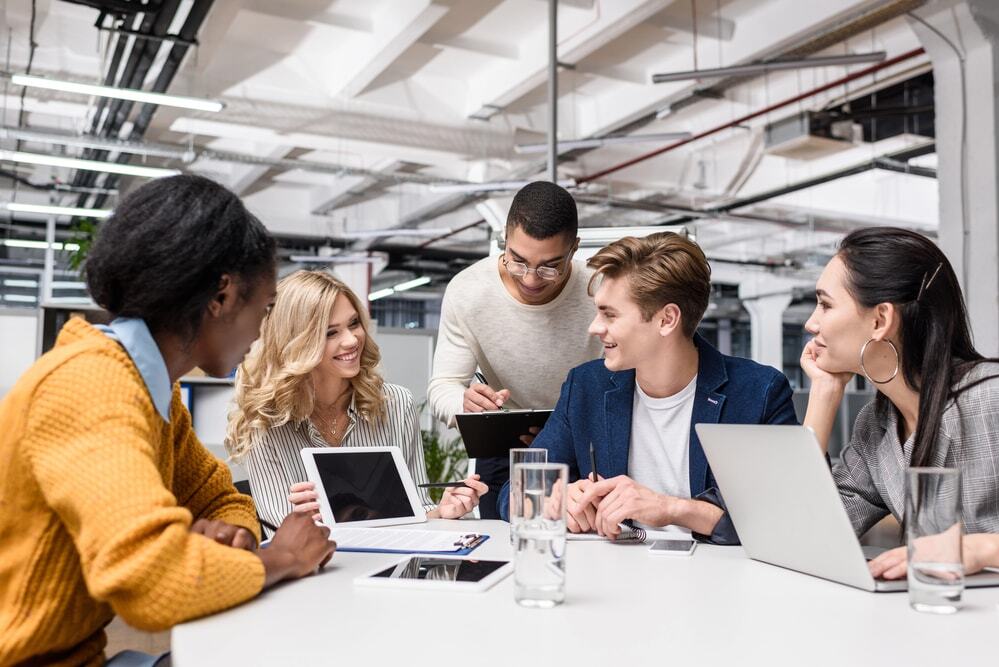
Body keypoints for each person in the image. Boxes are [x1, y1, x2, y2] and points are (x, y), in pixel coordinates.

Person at [0, 175, 334, 667]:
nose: (261, 334)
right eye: (263, 311)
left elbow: (221, 498)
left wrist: (234, 539)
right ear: (221, 295)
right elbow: (149, 580)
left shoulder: (154, 393)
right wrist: (281, 557)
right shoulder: (92, 384)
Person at [499, 231, 798, 543]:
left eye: (609, 314)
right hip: (616, 578)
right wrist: (555, 502)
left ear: (667, 319)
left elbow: (784, 519)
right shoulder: (586, 387)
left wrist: (672, 508)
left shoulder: (759, 393)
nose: (595, 327)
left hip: (720, 583)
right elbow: (513, 494)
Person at [799, 226, 999, 580]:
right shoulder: (876, 425)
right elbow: (806, 536)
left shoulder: (991, 398)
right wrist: (824, 394)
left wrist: (978, 549)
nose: (810, 323)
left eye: (825, 305)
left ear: (880, 320)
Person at [226, 270, 486, 534]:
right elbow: (280, 534)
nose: (351, 340)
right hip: (319, 569)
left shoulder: (395, 404)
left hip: (390, 566)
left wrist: (442, 512)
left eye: (353, 324)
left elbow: (415, 512)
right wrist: (303, 522)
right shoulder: (265, 422)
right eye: (330, 333)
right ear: (297, 344)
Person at [427, 181, 603, 518]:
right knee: (498, 537)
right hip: (507, 441)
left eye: (550, 265)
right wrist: (463, 403)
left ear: (574, 248)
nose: (532, 279)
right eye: (517, 261)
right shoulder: (468, 292)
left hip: (582, 435)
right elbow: (443, 386)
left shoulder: (598, 288)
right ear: (504, 240)